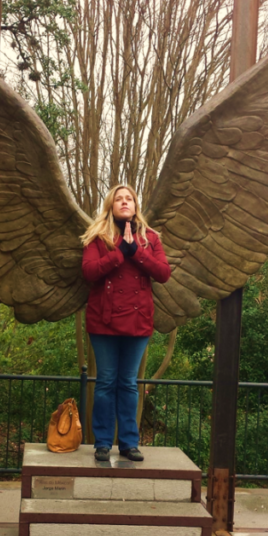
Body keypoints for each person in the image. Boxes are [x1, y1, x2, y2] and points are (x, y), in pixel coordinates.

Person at [81, 184, 171, 462]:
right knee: (106, 382)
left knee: (129, 383)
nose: (124, 202)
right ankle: (103, 443)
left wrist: (136, 252)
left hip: (138, 320)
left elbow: (163, 273)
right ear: (111, 205)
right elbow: (89, 271)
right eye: (118, 198)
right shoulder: (97, 237)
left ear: (135, 205)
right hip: (104, 320)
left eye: (128, 198)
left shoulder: (151, 238)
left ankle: (129, 443)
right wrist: (120, 252)